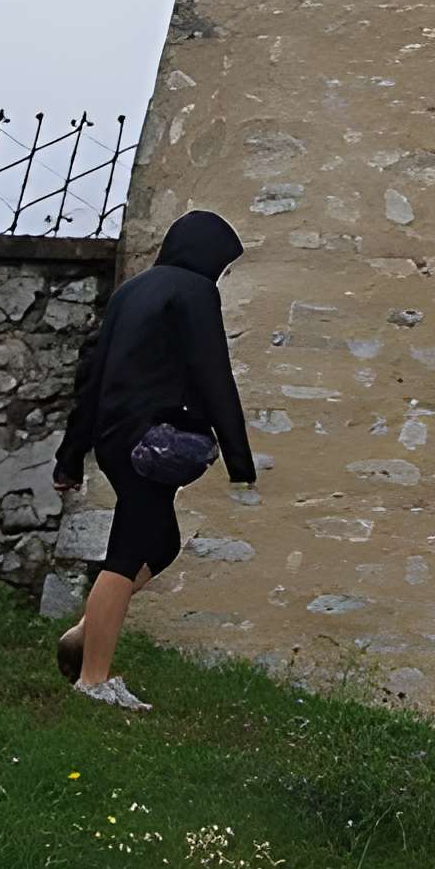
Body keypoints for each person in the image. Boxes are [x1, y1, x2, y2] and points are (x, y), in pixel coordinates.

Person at [49, 210, 258, 710]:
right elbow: (214, 375)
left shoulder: (129, 293)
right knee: (127, 553)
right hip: (154, 439)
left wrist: (71, 457)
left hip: (117, 440)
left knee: (161, 544)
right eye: (222, 264)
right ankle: (93, 681)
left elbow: (91, 379)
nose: (220, 274)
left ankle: (85, 631)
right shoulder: (194, 292)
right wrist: (239, 458)